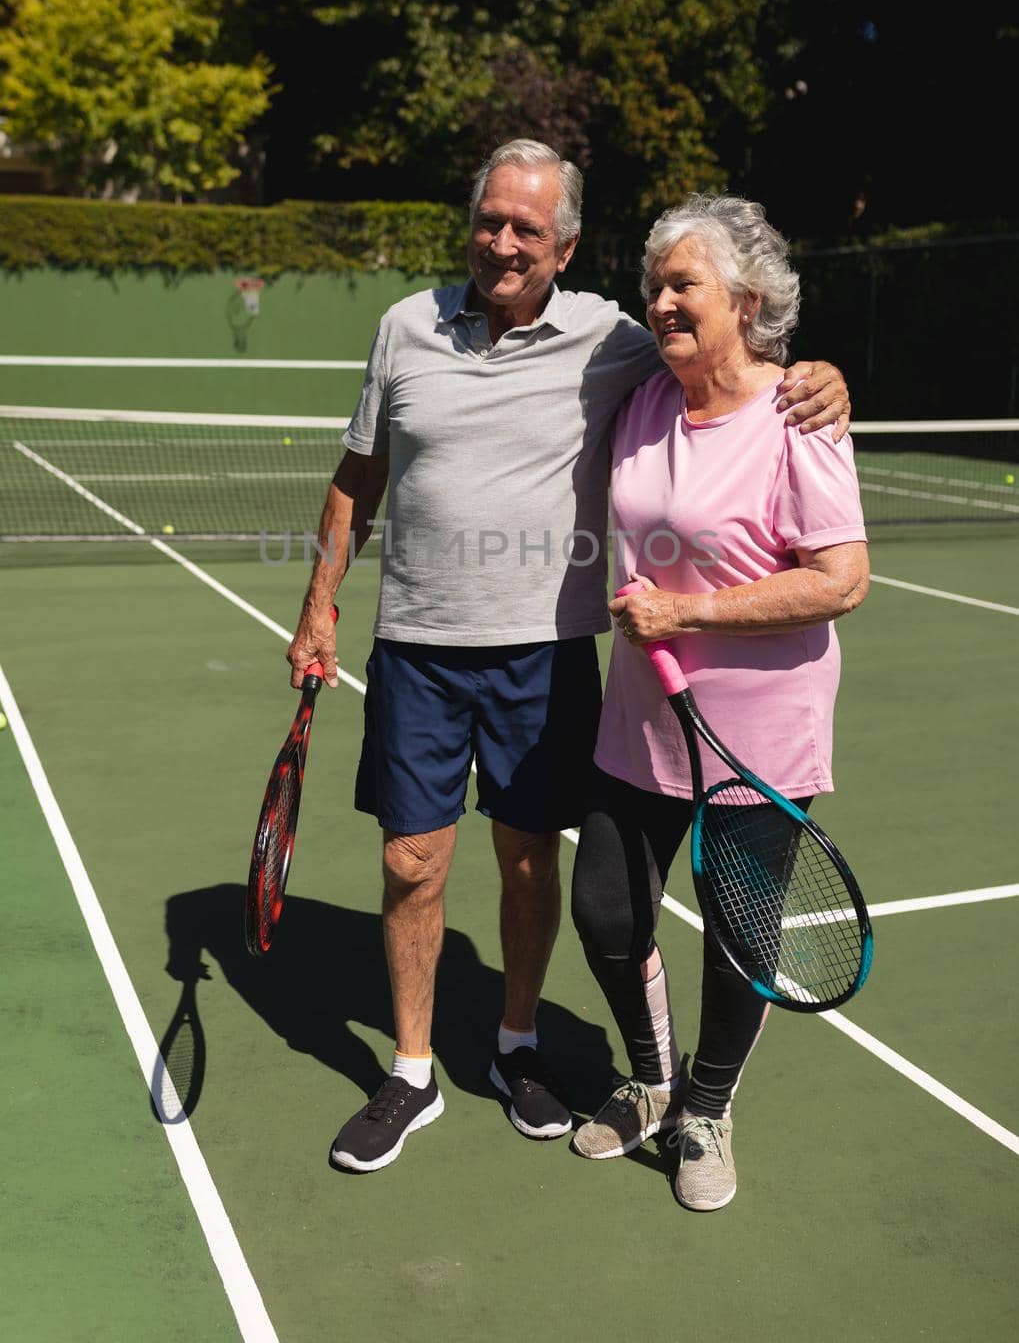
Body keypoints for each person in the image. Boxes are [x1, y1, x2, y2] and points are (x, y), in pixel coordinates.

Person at [285, 142, 850, 1174]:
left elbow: (737, 354)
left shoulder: (613, 342)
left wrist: (821, 373)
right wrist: (317, 604)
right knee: (413, 861)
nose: (501, 241)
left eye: (526, 229)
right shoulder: (408, 329)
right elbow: (355, 477)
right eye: (488, 219)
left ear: (565, 248)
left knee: (531, 860)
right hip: (416, 649)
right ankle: (411, 1072)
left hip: (547, 664)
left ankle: (521, 1049)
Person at [568, 193, 869, 1211]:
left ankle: (705, 1106)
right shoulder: (643, 397)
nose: (659, 302)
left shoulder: (797, 414)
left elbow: (838, 579)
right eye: (652, 285)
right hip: (641, 718)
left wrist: (686, 610)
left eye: (680, 284)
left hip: (758, 730)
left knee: (739, 937)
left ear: (744, 300)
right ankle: (650, 1079)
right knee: (604, 907)